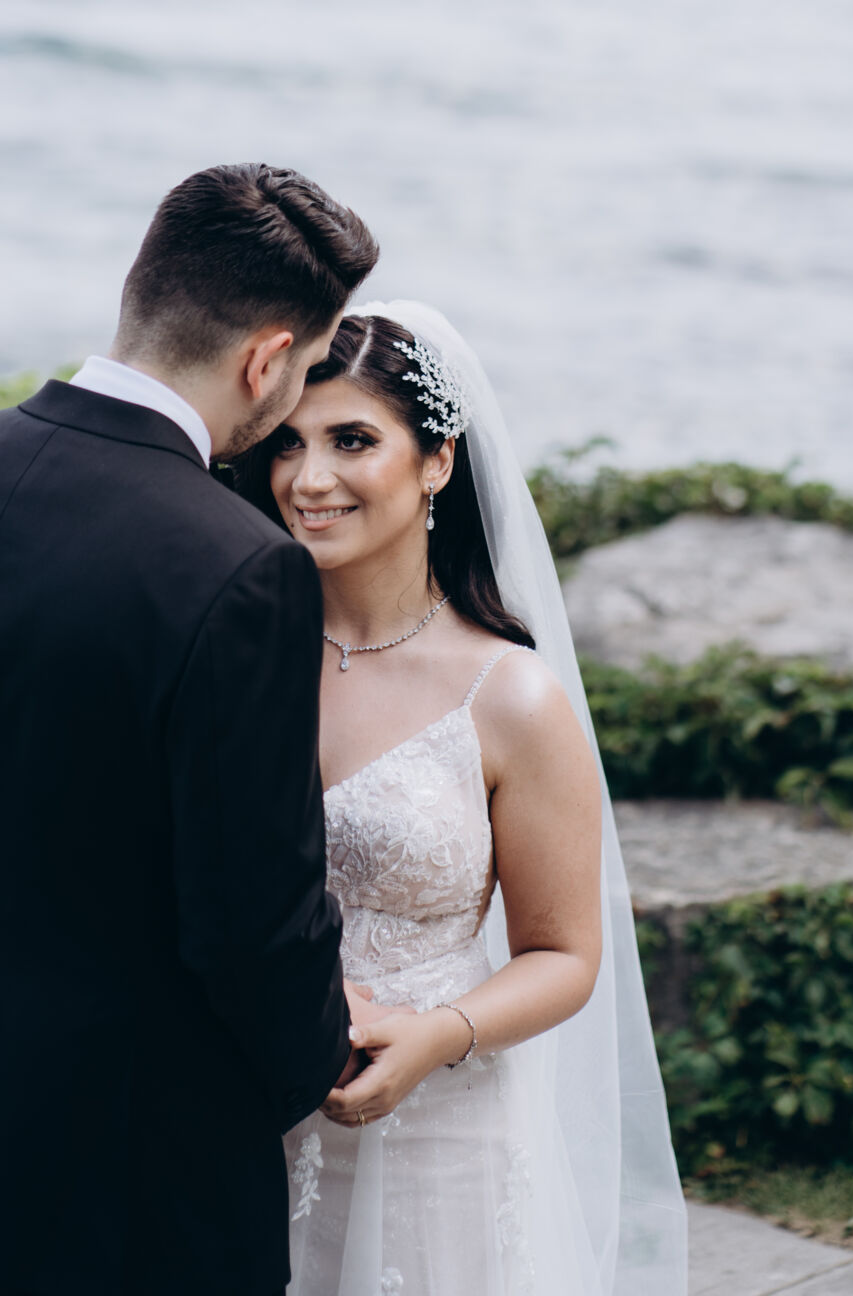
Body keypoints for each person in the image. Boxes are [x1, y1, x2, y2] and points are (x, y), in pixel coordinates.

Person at [0, 163, 379, 1296]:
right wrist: (313, 1061)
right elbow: (250, 918)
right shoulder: (242, 569)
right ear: (267, 359)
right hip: (127, 1179)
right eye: (309, 368)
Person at [236, 303, 688, 1296]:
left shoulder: (509, 697)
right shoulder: (238, 654)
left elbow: (563, 956)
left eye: (352, 440)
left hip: (435, 1134)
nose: (308, 479)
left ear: (437, 460)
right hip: (242, 1112)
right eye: (287, 444)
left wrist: (436, 1035)